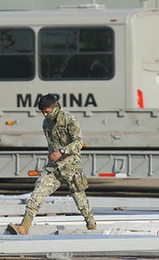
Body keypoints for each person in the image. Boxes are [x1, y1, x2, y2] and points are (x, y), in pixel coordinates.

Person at [7, 93, 96, 235]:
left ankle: (92, 227)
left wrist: (62, 151)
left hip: (71, 167)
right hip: (54, 168)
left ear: (54, 108)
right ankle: (24, 227)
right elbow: (51, 144)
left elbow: (78, 143)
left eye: (47, 111)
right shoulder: (46, 123)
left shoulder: (69, 120)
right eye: (42, 112)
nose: (44, 114)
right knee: (37, 194)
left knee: (80, 201)